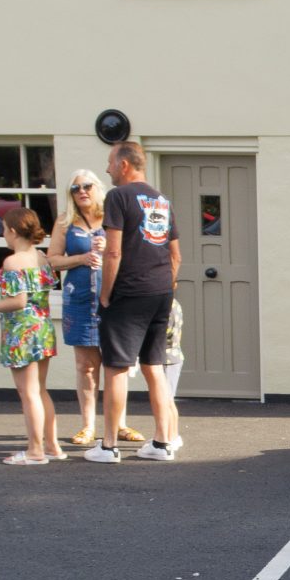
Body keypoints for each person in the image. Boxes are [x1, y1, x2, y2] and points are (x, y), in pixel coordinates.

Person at [86, 141, 182, 462]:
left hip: (128, 291)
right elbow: (176, 256)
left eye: (110, 162)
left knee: (115, 367)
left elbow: (113, 252)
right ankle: (162, 443)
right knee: (154, 366)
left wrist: (105, 294)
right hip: (161, 292)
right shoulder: (162, 200)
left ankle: (108, 446)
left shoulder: (118, 196)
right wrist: (165, 285)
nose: (107, 169)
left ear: (124, 164)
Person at [46, 169, 126, 448]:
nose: (81, 191)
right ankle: (88, 425)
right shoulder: (65, 222)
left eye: (87, 186)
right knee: (86, 366)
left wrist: (109, 249)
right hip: (79, 299)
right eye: (75, 188)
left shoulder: (113, 217)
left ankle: (119, 424)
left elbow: (130, 255)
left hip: (112, 297)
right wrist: (81, 258)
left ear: (97, 188)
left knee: (116, 363)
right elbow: (53, 260)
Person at [0, 206, 60, 464]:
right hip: (43, 328)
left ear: (13, 231)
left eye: (3, 229)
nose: (3, 234)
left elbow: (18, 301)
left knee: (28, 393)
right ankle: (52, 446)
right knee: (41, 390)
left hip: (22, 332)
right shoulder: (42, 257)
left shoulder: (13, 262)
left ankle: (35, 451)